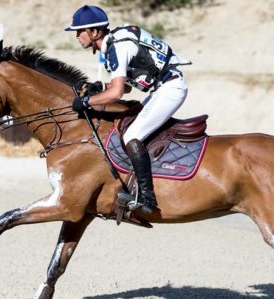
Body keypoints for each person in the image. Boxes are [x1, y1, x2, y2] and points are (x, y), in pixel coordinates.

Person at [66, 4, 191, 215]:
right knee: (127, 125)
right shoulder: (114, 44)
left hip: (170, 89)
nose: (76, 36)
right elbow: (122, 87)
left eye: (79, 31)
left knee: (132, 135)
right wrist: (100, 88)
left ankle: (147, 198)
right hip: (162, 88)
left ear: (94, 32)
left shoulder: (117, 47)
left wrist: (87, 101)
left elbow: (116, 94)